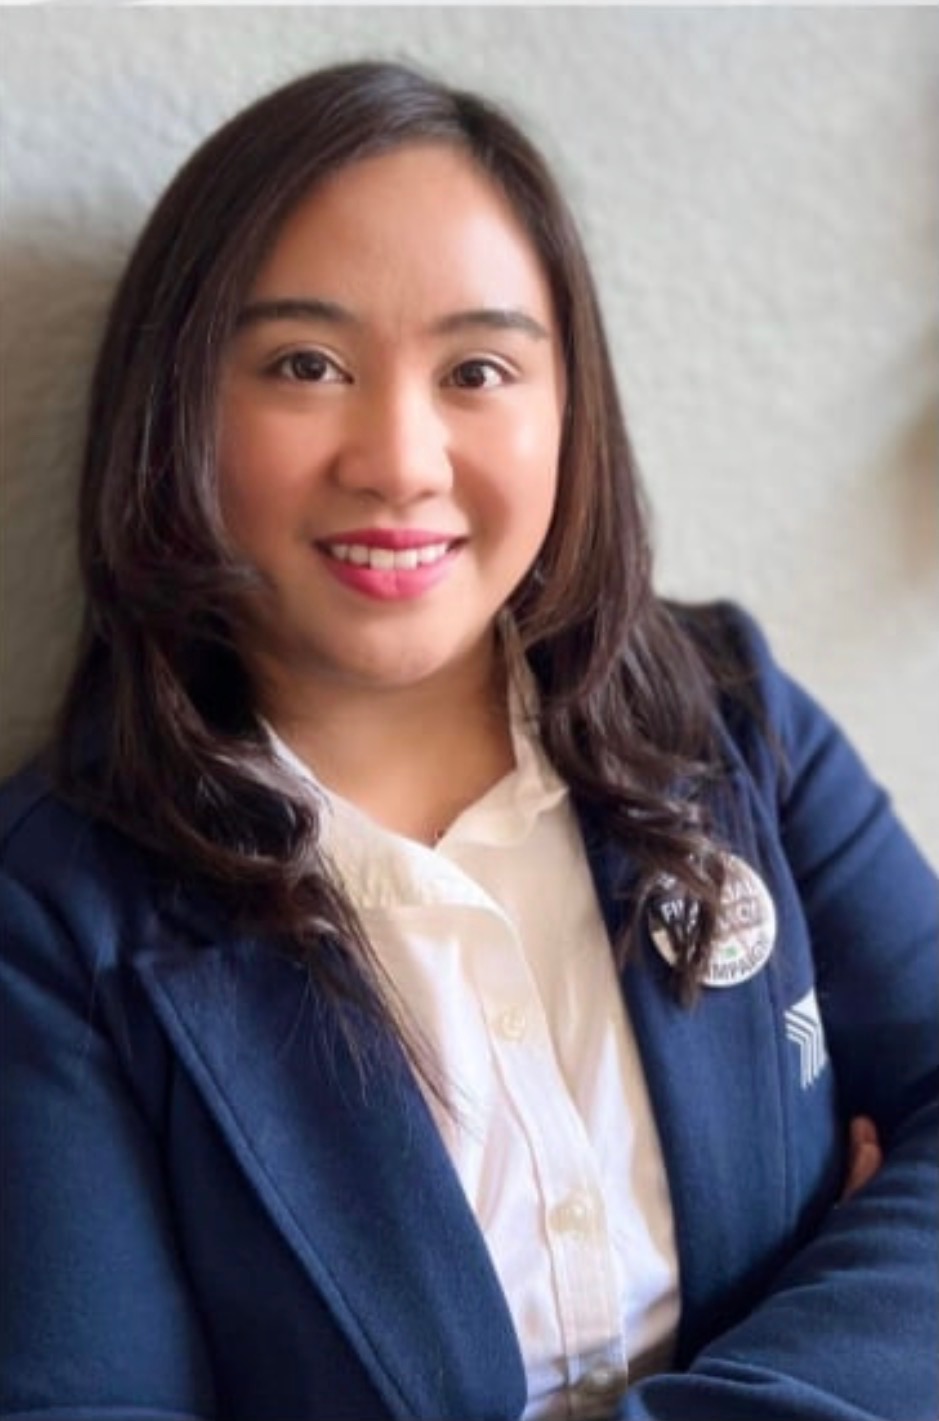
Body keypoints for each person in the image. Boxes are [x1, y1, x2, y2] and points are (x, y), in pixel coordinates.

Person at [0, 59, 934, 1421]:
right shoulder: (53, 915)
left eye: (478, 369)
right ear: (179, 408)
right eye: (306, 365)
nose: (399, 459)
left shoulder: (731, 713)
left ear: (569, 409)